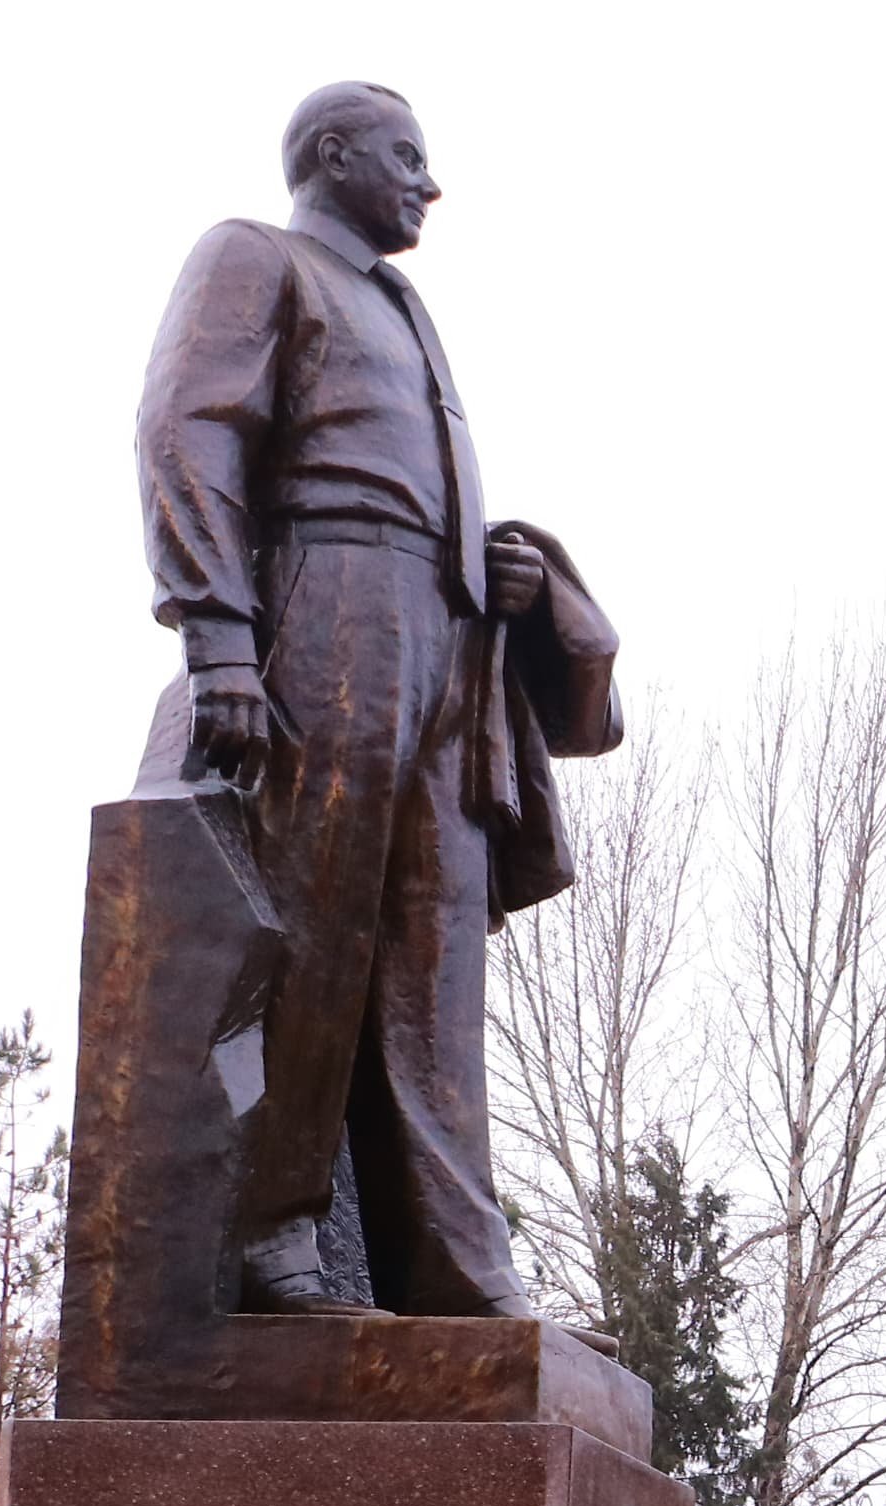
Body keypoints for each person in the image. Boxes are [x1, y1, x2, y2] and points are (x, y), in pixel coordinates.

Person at [136, 81, 623, 1319]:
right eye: (408, 156)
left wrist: (503, 574)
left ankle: (458, 1264)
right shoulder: (258, 258)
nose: (428, 181)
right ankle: (271, 1235)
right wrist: (222, 646)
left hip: (445, 640)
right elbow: (185, 431)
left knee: (434, 956)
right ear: (332, 154)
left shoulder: (404, 305)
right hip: (324, 604)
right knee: (315, 924)